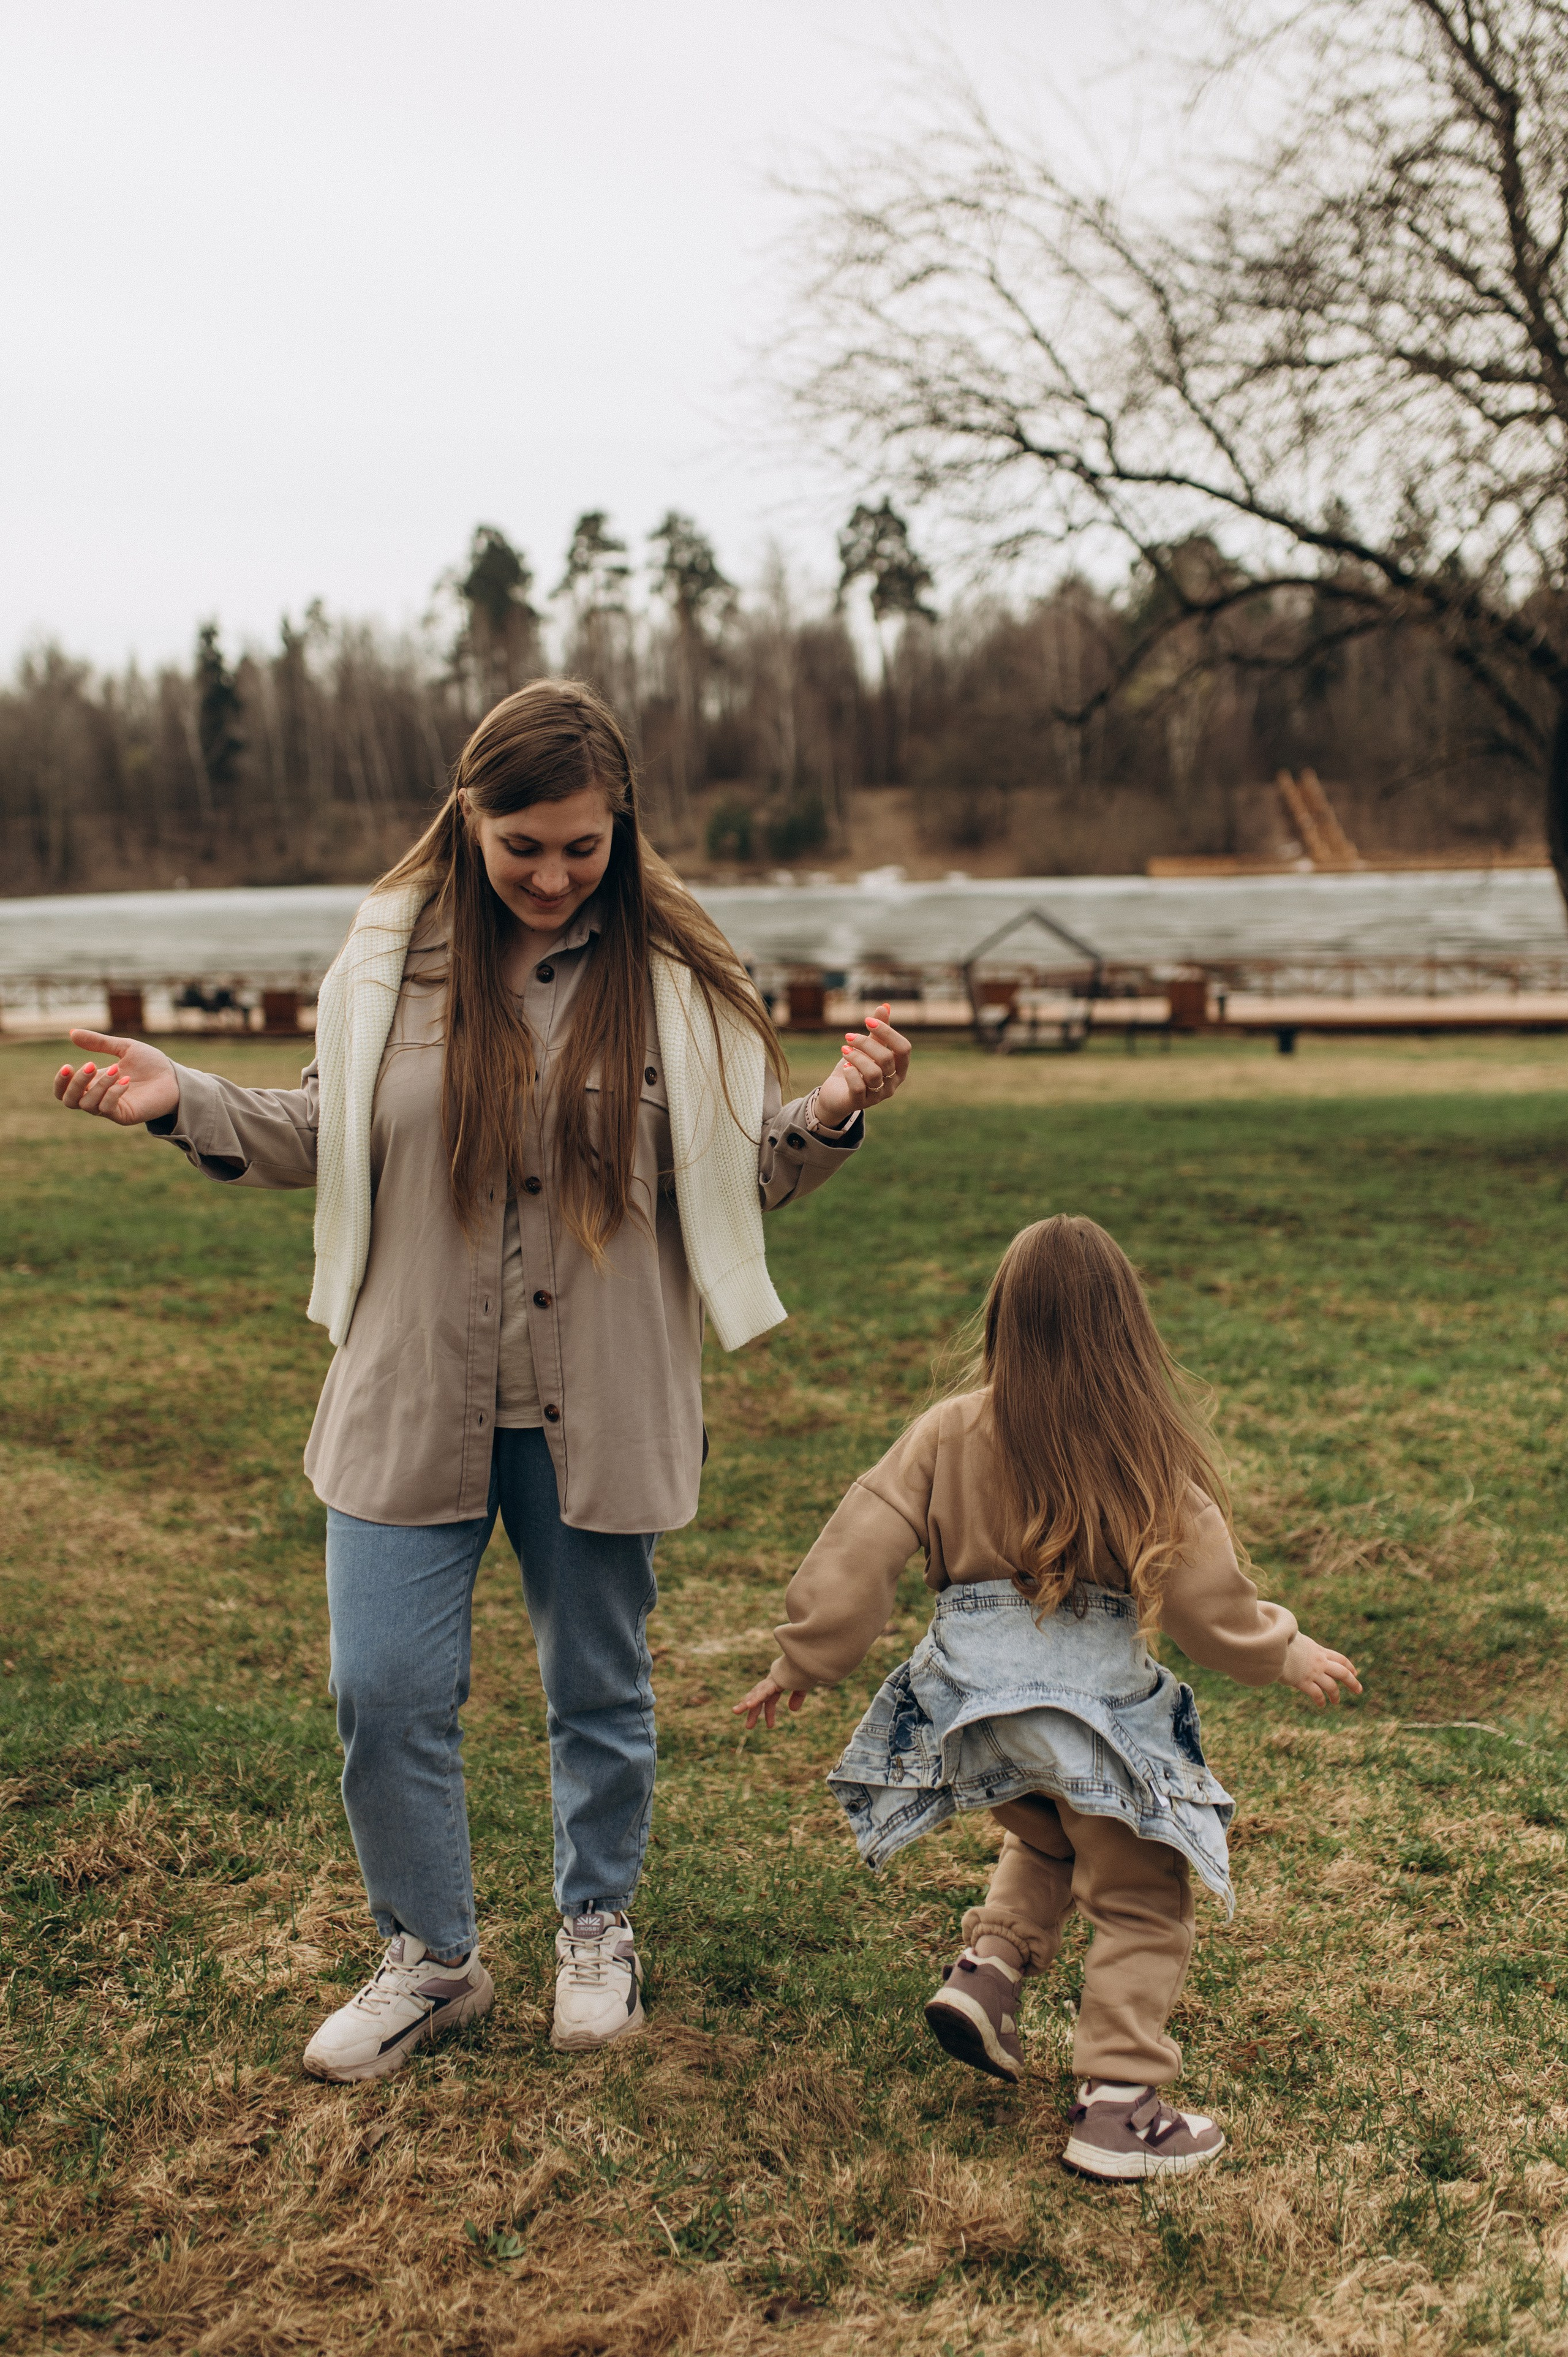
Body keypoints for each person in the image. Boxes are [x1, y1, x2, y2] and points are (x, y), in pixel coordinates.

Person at [54, 677, 910, 2080]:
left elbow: (747, 1170)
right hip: (411, 1393)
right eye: (524, 846)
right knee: (381, 1690)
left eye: (582, 846)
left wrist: (824, 1114)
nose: (554, 874)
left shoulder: (680, 984)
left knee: (598, 1689)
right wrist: (185, 1101)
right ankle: (432, 1958)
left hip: (605, 1398)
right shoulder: (386, 967)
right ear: (467, 818)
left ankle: (596, 1926)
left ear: (621, 829)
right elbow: (329, 1130)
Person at [735, 1214, 1360, 2180]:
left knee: (1049, 1835)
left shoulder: (949, 1430)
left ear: (1005, 1321)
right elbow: (1209, 1608)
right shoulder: (1143, 1451)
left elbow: (859, 1544)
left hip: (972, 1715)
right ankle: (1119, 2107)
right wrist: (1282, 1652)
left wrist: (804, 1657)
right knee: (1143, 1895)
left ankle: (990, 1972)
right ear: (1128, 1332)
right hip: (1092, 1718)